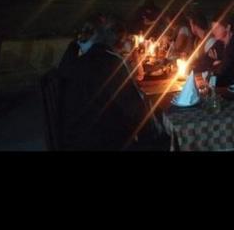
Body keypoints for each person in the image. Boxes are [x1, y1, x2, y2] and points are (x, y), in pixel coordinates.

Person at [59, 15, 169, 151]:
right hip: (100, 141)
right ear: (119, 43)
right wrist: (156, 132)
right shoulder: (109, 61)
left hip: (74, 135)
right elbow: (135, 108)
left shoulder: (78, 61)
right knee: (161, 138)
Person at [187, 10, 222, 74]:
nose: (190, 27)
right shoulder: (198, 40)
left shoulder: (209, 41)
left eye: (190, 24)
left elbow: (210, 64)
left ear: (195, 26)